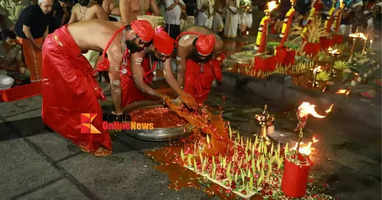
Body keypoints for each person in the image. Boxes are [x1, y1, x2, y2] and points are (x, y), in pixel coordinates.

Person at [41, 19, 155, 156]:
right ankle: (91, 142)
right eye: (140, 42)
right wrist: (119, 112)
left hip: (67, 47)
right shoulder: (115, 48)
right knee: (87, 100)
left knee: (89, 89)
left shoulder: (122, 27)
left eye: (145, 44)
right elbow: (115, 85)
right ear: (131, 33)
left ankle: (65, 123)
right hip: (57, 50)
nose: (142, 47)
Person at [176, 26, 225, 104]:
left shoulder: (218, 44)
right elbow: (180, 70)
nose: (202, 58)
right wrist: (179, 92)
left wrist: (215, 72)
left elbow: (217, 60)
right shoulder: (183, 46)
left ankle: (201, 101)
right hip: (191, 54)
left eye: (204, 56)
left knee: (207, 78)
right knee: (189, 79)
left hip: (210, 55)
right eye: (200, 56)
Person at [14, 0, 53, 82]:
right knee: (33, 61)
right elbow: (26, 30)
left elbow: (46, 27)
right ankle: (36, 81)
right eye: (46, 6)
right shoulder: (31, 12)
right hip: (27, 38)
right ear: (40, 4)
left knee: (40, 59)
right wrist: (35, 45)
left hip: (37, 37)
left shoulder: (46, 12)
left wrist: (45, 42)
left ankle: (42, 77)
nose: (49, 9)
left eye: (51, 6)